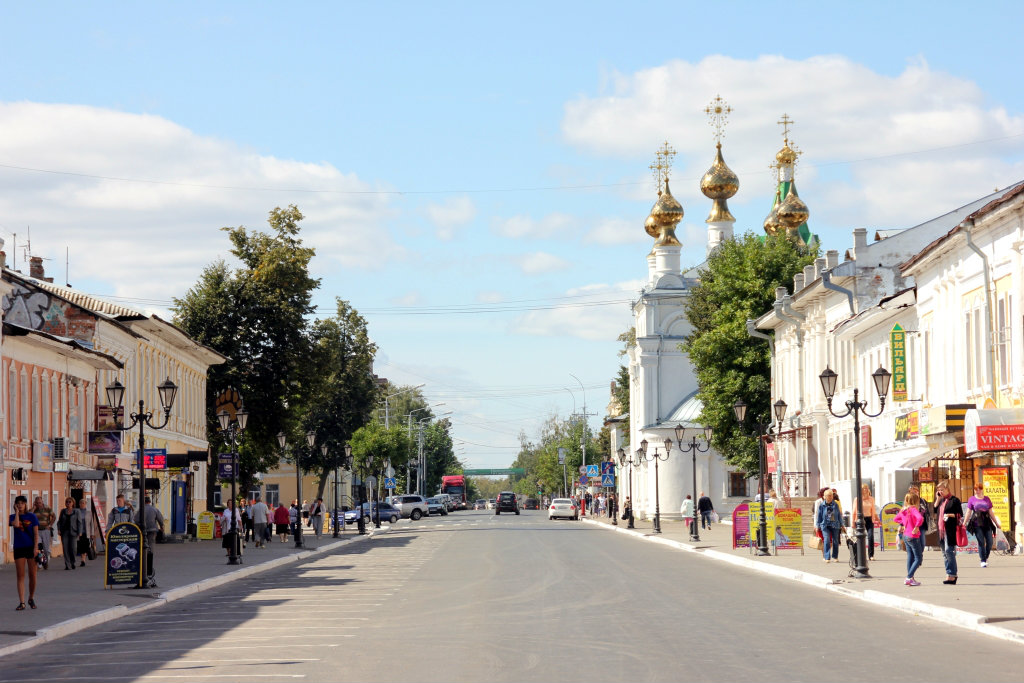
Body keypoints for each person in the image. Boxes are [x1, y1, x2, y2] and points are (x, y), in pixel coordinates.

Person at [10, 495, 39, 610]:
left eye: (22, 503)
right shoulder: (12, 517)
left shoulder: (32, 516)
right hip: (19, 548)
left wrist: (35, 547)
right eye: (18, 503)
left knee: (32, 575)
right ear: (15, 504)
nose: (20, 505)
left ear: (26, 504)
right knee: (20, 576)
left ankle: (31, 597)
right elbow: (16, 525)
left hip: (31, 547)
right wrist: (17, 512)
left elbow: (36, 533)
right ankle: (22, 602)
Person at [934, 481, 963, 585]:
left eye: (942, 489)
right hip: (941, 530)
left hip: (950, 529)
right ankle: (948, 574)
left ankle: (953, 574)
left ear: (947, 489)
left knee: (949, 551)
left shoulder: (954, 500)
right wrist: (937, 499)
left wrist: (950, 515)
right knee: (944, 553)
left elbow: (960, 515)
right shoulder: (940, 501)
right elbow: (934, 510)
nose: (940, 492)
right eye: (938, 490)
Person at [964, 483, 1000, 568]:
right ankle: (983, 560)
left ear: (982, 489)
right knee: (981, 542)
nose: (978, 491)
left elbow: (991, 512)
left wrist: (996, 523)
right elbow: (969, 512)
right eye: (976, 489)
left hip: (987, 522)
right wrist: (964, 522)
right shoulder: (972, 499)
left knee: (990, 542)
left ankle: (985, 556)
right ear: (974, 490)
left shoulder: (987, 499)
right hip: (977, 523)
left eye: (979, 489)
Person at [895, 491, 925, 586]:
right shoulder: (913, 509)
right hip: (913, 536)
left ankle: (911, 578)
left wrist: (904, 523)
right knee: (918, 558)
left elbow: (895, 519)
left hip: (906, 535)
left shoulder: (904, 510)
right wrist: (916, 526)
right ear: (916, 501)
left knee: (910, 556)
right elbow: (920, 518)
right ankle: (908, 577)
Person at [135, 496, 165, 588]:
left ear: (144, 502)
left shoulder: (141, 510)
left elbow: (136, 520)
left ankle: (144, 557)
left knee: (143, 545)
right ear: (150, 502)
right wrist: (162, 528)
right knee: (151, 546)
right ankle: (149, 557)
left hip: (142, 531)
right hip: (152, 531)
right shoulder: (154, 509)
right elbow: (160, 519)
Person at [815, 489, 843, 562]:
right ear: (824, 497)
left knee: (835, 541)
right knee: (826, 540)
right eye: (828, 496)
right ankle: (827, 557)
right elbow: (819, 516)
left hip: (835, 525)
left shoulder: (835, 504)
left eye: (831, 496)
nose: (830, 497)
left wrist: (842, 524)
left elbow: (839, 515)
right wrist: (817, 525)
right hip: (825, 525)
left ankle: (835, 556)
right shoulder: (821, 505)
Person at [56, 498, 82, 570]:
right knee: (65, 548)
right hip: (64, 532)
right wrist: (59, 529)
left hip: (73, 532)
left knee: (73, 548)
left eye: (69, 502)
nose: (68, 503)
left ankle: (72, 562)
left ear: (73, 503)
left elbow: (79, 522)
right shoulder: (63, 511)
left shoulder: (77, 511)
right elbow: (59, 522)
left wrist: (79, 532)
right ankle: (67, 564)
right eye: (66, 502)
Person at [857, 484, 879, 560]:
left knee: (870, 536)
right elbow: (854, 511)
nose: (865, 489)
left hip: (869, 519)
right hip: (860, 519)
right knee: (860, 537)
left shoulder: (871, 499)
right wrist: (853, 522)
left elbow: (873, 510)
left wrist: (878, 519)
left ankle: (871, 555)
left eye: (866, 488)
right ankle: (860, 555)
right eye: (863, 488)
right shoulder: (857, 499)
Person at [32, 497, 54, 570]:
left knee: (46, 549)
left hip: (45, 530)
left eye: (40, 502)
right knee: (39, 547)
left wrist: (50, 525)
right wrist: (33, 508)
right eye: (37, 503)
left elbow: (54, 516)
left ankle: (45, 562)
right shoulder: (34, 509)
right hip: (37, 531)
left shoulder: (47, 508)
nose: (39, 504)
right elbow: (29, 515)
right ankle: (40, 564)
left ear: (42, 502)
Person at [76, 498, 93, 567]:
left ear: (86, 504)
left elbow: (91, 523)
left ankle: (83, 560)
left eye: (83, 503)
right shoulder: (77, 511)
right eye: (81, 503)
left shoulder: (89, 512)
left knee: (85, 546)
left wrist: (92, 533)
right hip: (79, 532)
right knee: (79, 546)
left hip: (86, 532)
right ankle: (82, 559)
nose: (82, 504)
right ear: (79, 504)